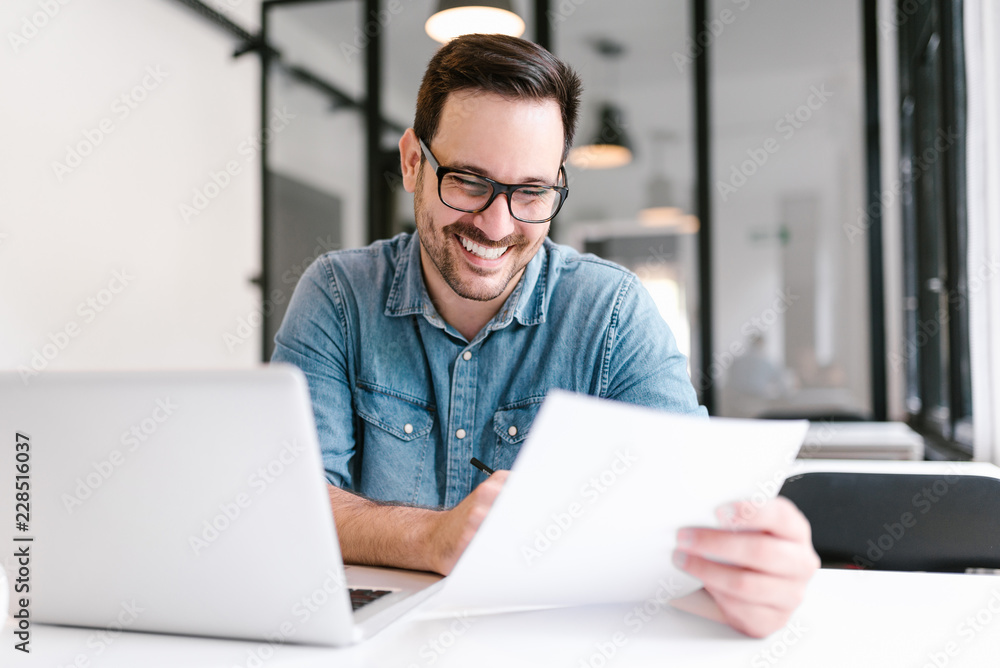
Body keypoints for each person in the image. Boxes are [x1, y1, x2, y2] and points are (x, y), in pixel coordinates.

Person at [272, 33, 819, 638]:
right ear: (411, 163)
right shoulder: (337, 297)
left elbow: (693, 516)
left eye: (531, 192)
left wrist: (752, 566)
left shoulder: (611, 312)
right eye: (469, 181)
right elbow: (287, 504)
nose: (497, 224)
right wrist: (432, 536)